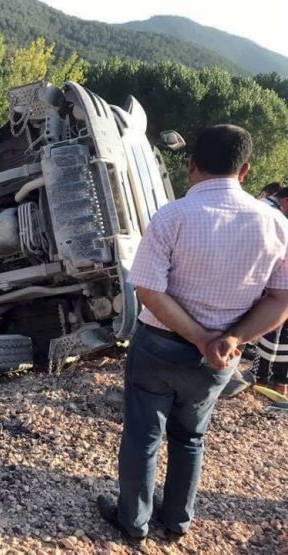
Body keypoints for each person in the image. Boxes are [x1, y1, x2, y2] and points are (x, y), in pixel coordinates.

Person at [97, 124, 288, 540]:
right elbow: (280, 300)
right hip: (220, 358)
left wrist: (197, 335)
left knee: (143, 438)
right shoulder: (276, 225)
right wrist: (231, 339)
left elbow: (148, 290)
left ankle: (133, 521)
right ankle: (178, 521)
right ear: (246, 170)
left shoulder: (172, 215)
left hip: (159, 350)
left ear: (191, 166)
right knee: (190, 439)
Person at [254, 186, 288, 395]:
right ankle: (279, 382)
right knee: (279, 334)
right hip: (279, 285)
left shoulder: (274, 216)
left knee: (270, 331)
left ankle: (263, 378)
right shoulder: (277, 217)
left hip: (276, 286)